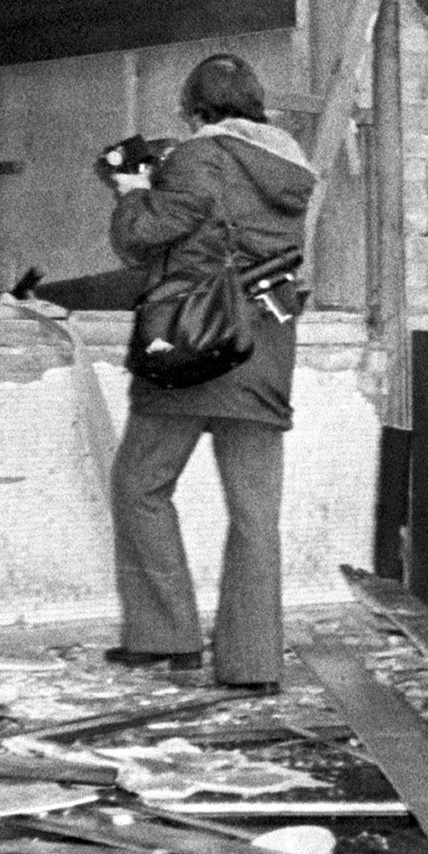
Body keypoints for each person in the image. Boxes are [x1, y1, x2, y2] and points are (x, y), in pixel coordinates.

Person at [94, 55, 315, 693]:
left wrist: (134, 185)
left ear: (195, 109)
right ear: (258, 106)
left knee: (140, 485)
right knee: (255, 514)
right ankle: (253, 666)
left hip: (191, 351)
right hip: (264, 351)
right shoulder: (291, 169)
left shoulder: (198, 157)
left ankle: (166, 639)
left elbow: (141, 238)